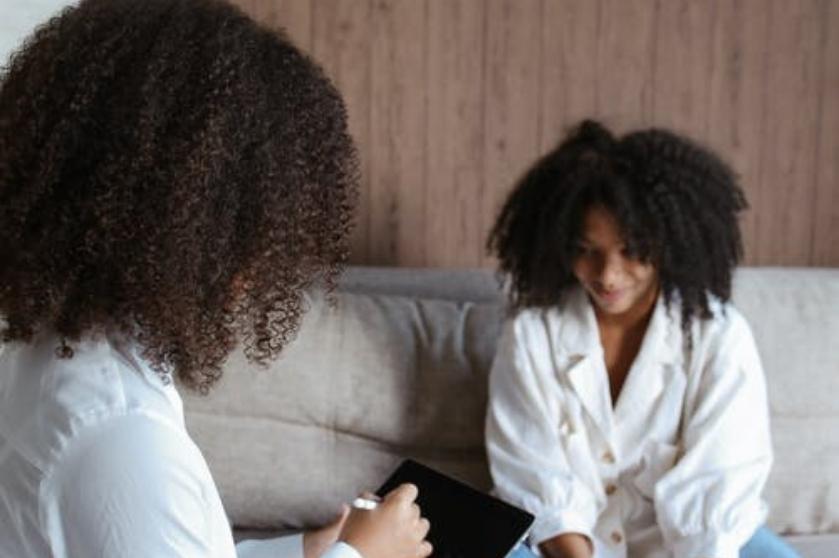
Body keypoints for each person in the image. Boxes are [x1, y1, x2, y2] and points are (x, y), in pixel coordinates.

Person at [0, 1, 432, 557]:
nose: (260, 268)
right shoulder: (121, 442)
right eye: (255, 232)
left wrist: (309, 548)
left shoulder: (44, 355)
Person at [485, 120, 799, 558]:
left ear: (668, 241)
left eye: (631, 249)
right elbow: (535, 479)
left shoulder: (719, 335)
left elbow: (718, 489)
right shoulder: (531, 336)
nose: (607, 275)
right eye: (586, 249)